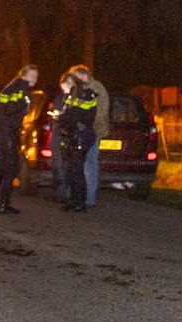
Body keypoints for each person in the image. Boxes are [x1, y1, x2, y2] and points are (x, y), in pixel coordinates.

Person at [0, 64, 38, 214]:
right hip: (5, 133)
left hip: (7, 132)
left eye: (36, 76)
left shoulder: (18, 87)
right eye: (32, 75)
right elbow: (6, 109)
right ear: (24, 75)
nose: (34, 79)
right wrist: (6, 133)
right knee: (3, 168)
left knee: (7, 168)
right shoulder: (18, 88)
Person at [57, 73, 98, 212]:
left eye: (65, 88)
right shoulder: (72, 96)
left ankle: (81, 202)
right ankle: (74, 200)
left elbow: (80, 115)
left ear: (71, 83)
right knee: (71, 169)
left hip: (83, 135)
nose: (64, 92)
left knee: (77, 169)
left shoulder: (86, 95)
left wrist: (63, 117)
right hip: (74, 135)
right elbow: (69, 113)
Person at [70, 65, 109, 208]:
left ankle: (90, 197)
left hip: (93, 130)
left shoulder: (96, 87)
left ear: (81, 75)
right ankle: (84, 195)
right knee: (85, 162)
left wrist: (89, 125)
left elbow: (101, 110)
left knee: (90, 163)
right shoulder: (84, 88)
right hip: (86, 129)